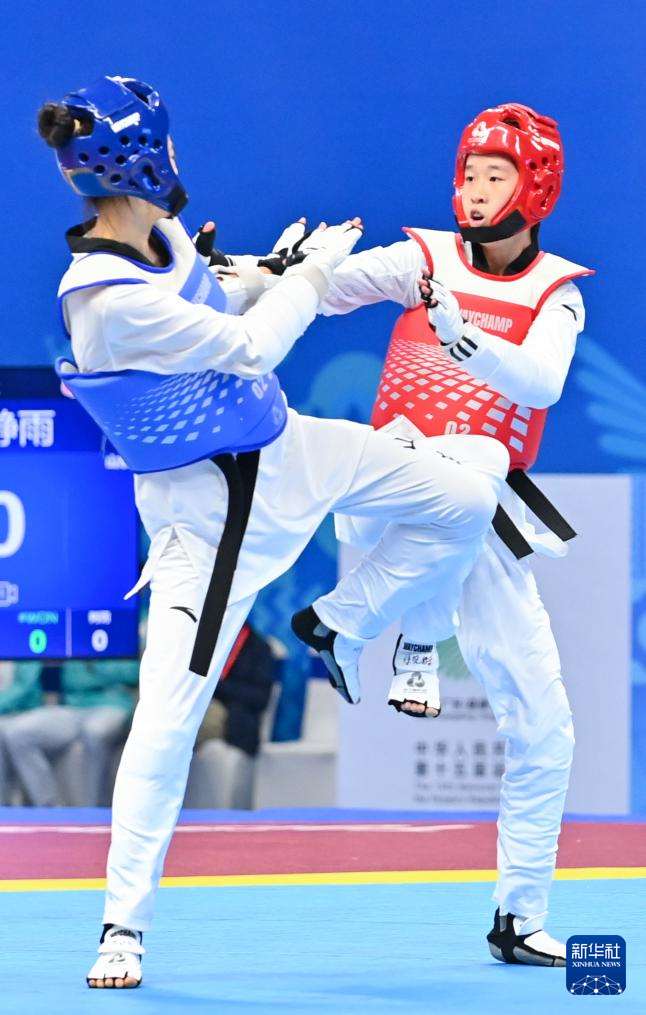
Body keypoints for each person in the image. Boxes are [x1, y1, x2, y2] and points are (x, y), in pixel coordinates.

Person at [38, 76, 508, 988]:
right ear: (142, 159)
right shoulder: (102, 295)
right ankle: (122, 927)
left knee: (462, 502)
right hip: (210, 522)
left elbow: (222, 297)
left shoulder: (162, 235)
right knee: (167, 721)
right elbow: (251, 345)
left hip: (287, 450)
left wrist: (267, 268)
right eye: (165, 143)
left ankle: (338, 621)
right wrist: (314, 275)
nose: (176, 156)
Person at [313, 103, 593, 966]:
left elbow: (541, 384)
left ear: (534, 189)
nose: (473, 191)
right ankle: (374, 630)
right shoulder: (422, 260)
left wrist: (464, 339)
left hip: (474, 521)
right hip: (388, 484)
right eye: (468, 174)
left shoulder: (556, 294)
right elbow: (326, 291)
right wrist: (265, 272)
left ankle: (519, 916)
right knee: (472, 461)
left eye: (494, 176)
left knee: (546, 724)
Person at [3, 659, 138, 807]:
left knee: (94, 732)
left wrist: (95, 662)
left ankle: (94, 811)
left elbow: (135, 672)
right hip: (71, 707)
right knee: (18, 734)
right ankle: (51, 808)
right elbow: (27, 681)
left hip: (112, 703)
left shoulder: (121, 644)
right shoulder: (66, 643)